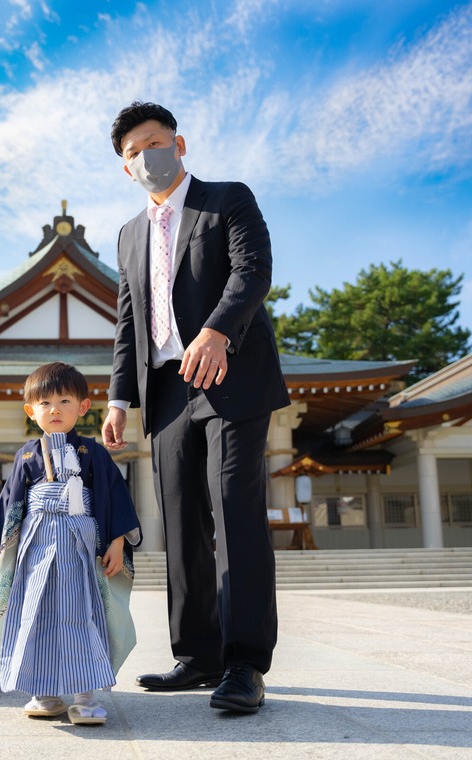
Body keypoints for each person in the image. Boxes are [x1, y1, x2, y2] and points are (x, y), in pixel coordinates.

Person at [102, 101, 290, 714]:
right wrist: (118, 397)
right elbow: (129, 319)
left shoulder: (227, 199)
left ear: (179, 146)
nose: (145, 157)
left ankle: (244, 664)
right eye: (132, 153)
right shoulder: (129, 234)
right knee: (182, 523)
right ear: (125, 169)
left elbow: (253, 272)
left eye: (153, 143)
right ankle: (197, 654)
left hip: (229, 374)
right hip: (167, 390)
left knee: (235, 508)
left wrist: (216, 331)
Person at [0, 362, 141, 726]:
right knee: (33, 612)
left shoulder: (95, 453)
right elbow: (10, 506)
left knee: (81, 613)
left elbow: (114, 497)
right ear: (31, 411)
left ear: (83, 407)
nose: (54, 410)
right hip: (35, 547)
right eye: (44, 403)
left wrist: (116, 542)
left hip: (81, 546)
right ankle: (45, 693)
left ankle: (86, 696)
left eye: (64, 400)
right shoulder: (26, 455)